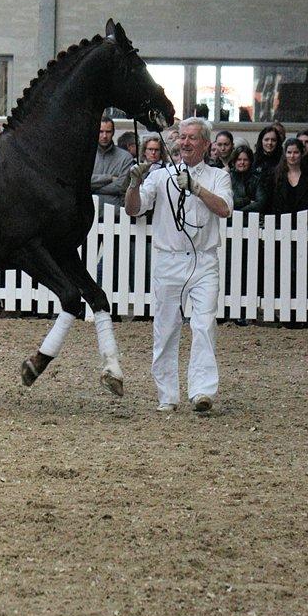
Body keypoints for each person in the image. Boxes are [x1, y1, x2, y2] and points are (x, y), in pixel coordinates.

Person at [125, 117, 232, 414]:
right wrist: (133, 183)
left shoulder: (218, 177)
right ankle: (167, 395)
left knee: (203, 324)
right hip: (168, 260)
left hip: (203, 260)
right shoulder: (161, 177)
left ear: (206, 144)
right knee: (166, 328)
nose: (184, 143)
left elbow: (224, 208)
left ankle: (201, 391)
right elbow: (134, 208)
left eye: (192, 138)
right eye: (182, 137)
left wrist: (196, 188)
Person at [90, 117, 132, 212]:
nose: (104, 136)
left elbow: (122, 186)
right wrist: (109, 178)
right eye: (101, 131)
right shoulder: (85, 155)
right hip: (88, 213)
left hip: (116, 215)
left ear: (113, 132)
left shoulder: (125, 157)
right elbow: (82, 182)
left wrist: (92, 189)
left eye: (108, 132)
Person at [271, 138, 308, 217]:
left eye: (296, 152)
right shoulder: (275, 176)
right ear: (285, 154)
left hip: (305, 223)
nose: (292, 156)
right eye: (289, 152)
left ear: (302, 153)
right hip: (280, 223)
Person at [229, 145, 267, 214]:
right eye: (239, 159)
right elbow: (227, 202)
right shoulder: (228, 178)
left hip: (252, 220)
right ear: (234, 161)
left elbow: (261, 203)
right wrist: (247, 201)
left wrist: (239, 212)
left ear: (250, 161)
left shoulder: (257, 180)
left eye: (245, 160)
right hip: (229, 221)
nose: (242, 162)